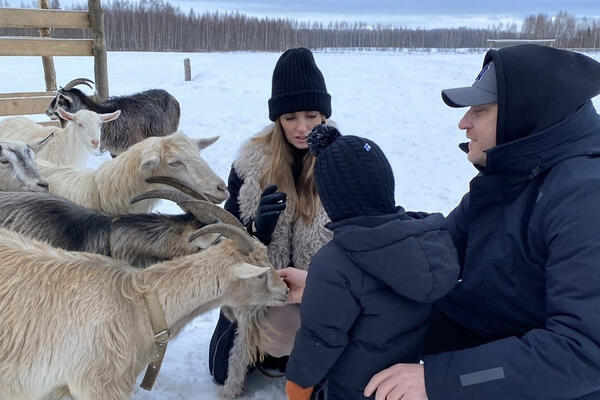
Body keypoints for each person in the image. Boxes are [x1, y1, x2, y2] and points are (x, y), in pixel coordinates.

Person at [363, 45, 600, 400]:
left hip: (547, 382)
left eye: (480, 110)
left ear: (522, 116)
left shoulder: (583, 198)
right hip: (486, 338)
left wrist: (441, 381)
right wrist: (341, 279)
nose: (464, 123)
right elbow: (433, 253)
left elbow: (583, 352)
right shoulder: (511, 175)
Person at [284, 125, 459, 400]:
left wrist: (298, 385)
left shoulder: (334, 263)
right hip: (401, 387)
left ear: (331, 200)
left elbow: (319, 339)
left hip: (350, 390)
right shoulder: (424, 242)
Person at [209, 47, 334, 385]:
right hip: (259, 292)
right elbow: (224, 241)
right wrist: (255, 230)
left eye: (311, 115)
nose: (302, 127)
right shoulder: (249, 164)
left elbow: (364, 237)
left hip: (319, 294)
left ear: (324, 113)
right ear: (277, 118)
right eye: (290, 117)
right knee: (221, 372)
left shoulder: (342, 161)